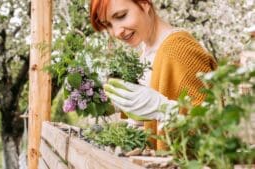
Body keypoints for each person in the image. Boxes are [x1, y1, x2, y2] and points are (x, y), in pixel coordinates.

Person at [90, 0, 217, 150]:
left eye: (121, 16)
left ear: (145, 4)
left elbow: (212, 125)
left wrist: (162, 108)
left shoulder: (178, 49)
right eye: (108, 25)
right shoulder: (145, 51)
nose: (117, 32)